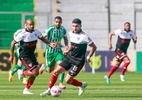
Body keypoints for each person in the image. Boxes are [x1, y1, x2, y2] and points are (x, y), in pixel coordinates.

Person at [40, 18, 97, 96]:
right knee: (56, 72)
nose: (74, 28)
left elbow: (94, 47)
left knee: (68, 80)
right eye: (73, 26)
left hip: (78, 61)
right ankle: (49, 89)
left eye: (76, 26)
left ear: (81, 26)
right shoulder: (70, 33)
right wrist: (68, 50)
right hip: (69, 57)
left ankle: (82, 85)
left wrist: (88, 57)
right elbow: (73, 45)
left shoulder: (84, 36)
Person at [8, 19, 57, 94]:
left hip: (31, 55)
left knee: (36, 73)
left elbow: (42, 38)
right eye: (30, 25)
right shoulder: (22, 34)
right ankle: (21, 72)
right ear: (26, 25)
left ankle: (26, 89)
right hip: (24, 56)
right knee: (35, 72)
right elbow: (12, 43)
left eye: (32, 24)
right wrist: (11, 55)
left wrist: (50, 43)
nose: (32, 26)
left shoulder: (36, 32)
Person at [39, 16, 69, 89]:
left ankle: (61, 83)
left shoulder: (63, 30)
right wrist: (49, 43)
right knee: (49, 70)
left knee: (62, 65)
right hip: (50, 52)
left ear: (61, 22)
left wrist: (67, 46)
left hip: (58, 51)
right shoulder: (50, 29)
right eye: (56, 22)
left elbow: (65, 38)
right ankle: (43, 67)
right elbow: (42, 38)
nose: (58, 23)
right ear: (54, 22)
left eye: (59, 22)